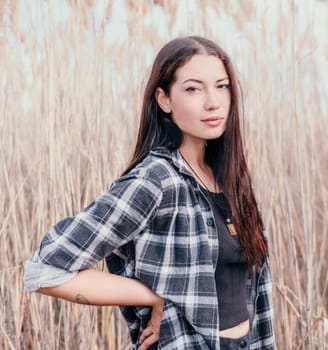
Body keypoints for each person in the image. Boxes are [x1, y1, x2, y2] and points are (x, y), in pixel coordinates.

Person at [24, 36, 275, 350]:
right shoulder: (156, 179)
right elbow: (44, 270)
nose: (213, 101)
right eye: (193, 88)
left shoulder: (233, 181)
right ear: (164, 99)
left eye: (222, 86)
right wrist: (151, 296)